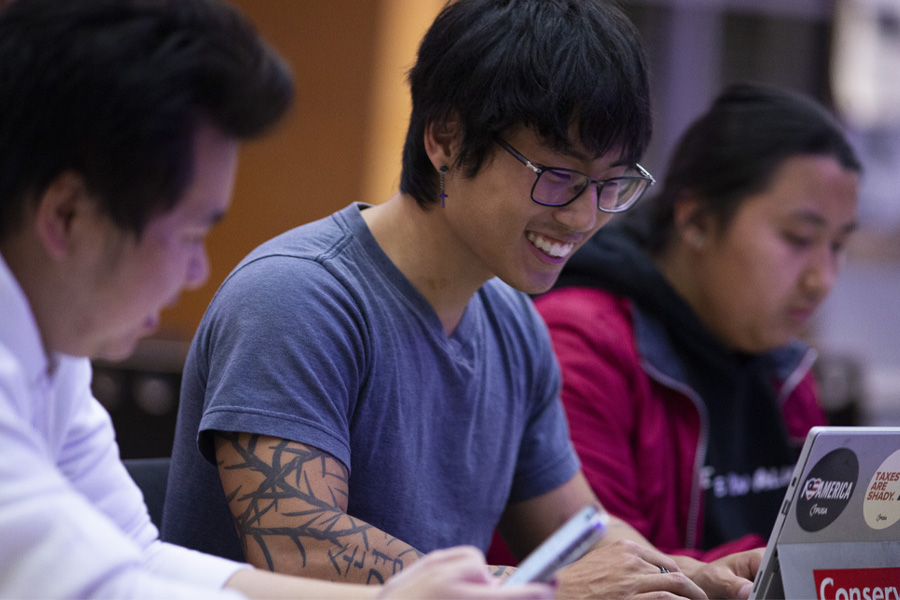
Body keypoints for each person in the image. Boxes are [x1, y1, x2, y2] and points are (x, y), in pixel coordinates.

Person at [162, 0, 760, 597]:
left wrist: (683, 575)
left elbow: (578, 533)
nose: (585, 217)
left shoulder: (512, 323)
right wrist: (548, 590)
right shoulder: (298, 296)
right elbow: (304, 550)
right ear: (446, 138)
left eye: (612, 185)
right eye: (558, 176)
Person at [0, 0, 553, 598]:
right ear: (66, 214)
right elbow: (107, 589)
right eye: (189, 234)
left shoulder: (54, 356)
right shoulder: (297, 290)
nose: (197, 271)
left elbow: (135, 553)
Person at [534, 84, 861, 563]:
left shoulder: (784, 364)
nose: (821, 279)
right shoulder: (578, 343)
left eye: (837, 246)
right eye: (798, 238)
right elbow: (600, 574)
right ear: (697, 221)